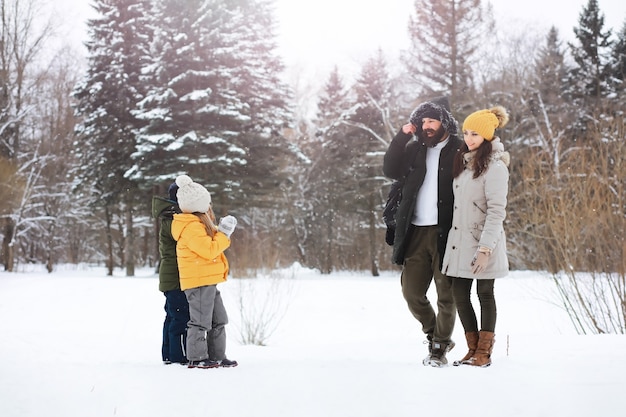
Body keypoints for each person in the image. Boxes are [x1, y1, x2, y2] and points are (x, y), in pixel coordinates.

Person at [383, 97, 462, 367]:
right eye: (423, 121)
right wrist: (401, 136)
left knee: (446, 294)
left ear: (444, 122)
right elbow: (390, 169)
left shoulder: (459, 150)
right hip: (415, 231)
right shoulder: (416, 150)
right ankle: (435, 333)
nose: (426, 126)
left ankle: (438, 347)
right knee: (411, 292)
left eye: (432, 120)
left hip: (447, 233)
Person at [441, 106, 510, 367]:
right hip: (460, 241)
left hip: (483, 242)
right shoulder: (464, 163)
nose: (469, 138)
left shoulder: (495, 168)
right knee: (460, 293)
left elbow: (496, 212)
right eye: (467, 133)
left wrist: (485, 249)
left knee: (484, 293)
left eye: (475, 134)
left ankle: (484, 352)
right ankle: (472, 349)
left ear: (488, 136)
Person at [171, 174, 238, 369]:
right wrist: (224, 235)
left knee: (219, 319)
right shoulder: (190, 227)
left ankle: (217, 355)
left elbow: (211, 242)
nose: (209, 206)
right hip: (198, 281)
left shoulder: (199, 224)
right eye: (206, 203)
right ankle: (197, 357)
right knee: (200, 321)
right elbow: (209, 250)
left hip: (208, 280)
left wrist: (222, 230)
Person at [152, 182, 189, 365]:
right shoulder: (174, 220)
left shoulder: (172, 217)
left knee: (172, 315)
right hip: (175, 276)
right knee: (180, 317)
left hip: (172, 274)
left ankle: (168, 355)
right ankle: (177, 357)